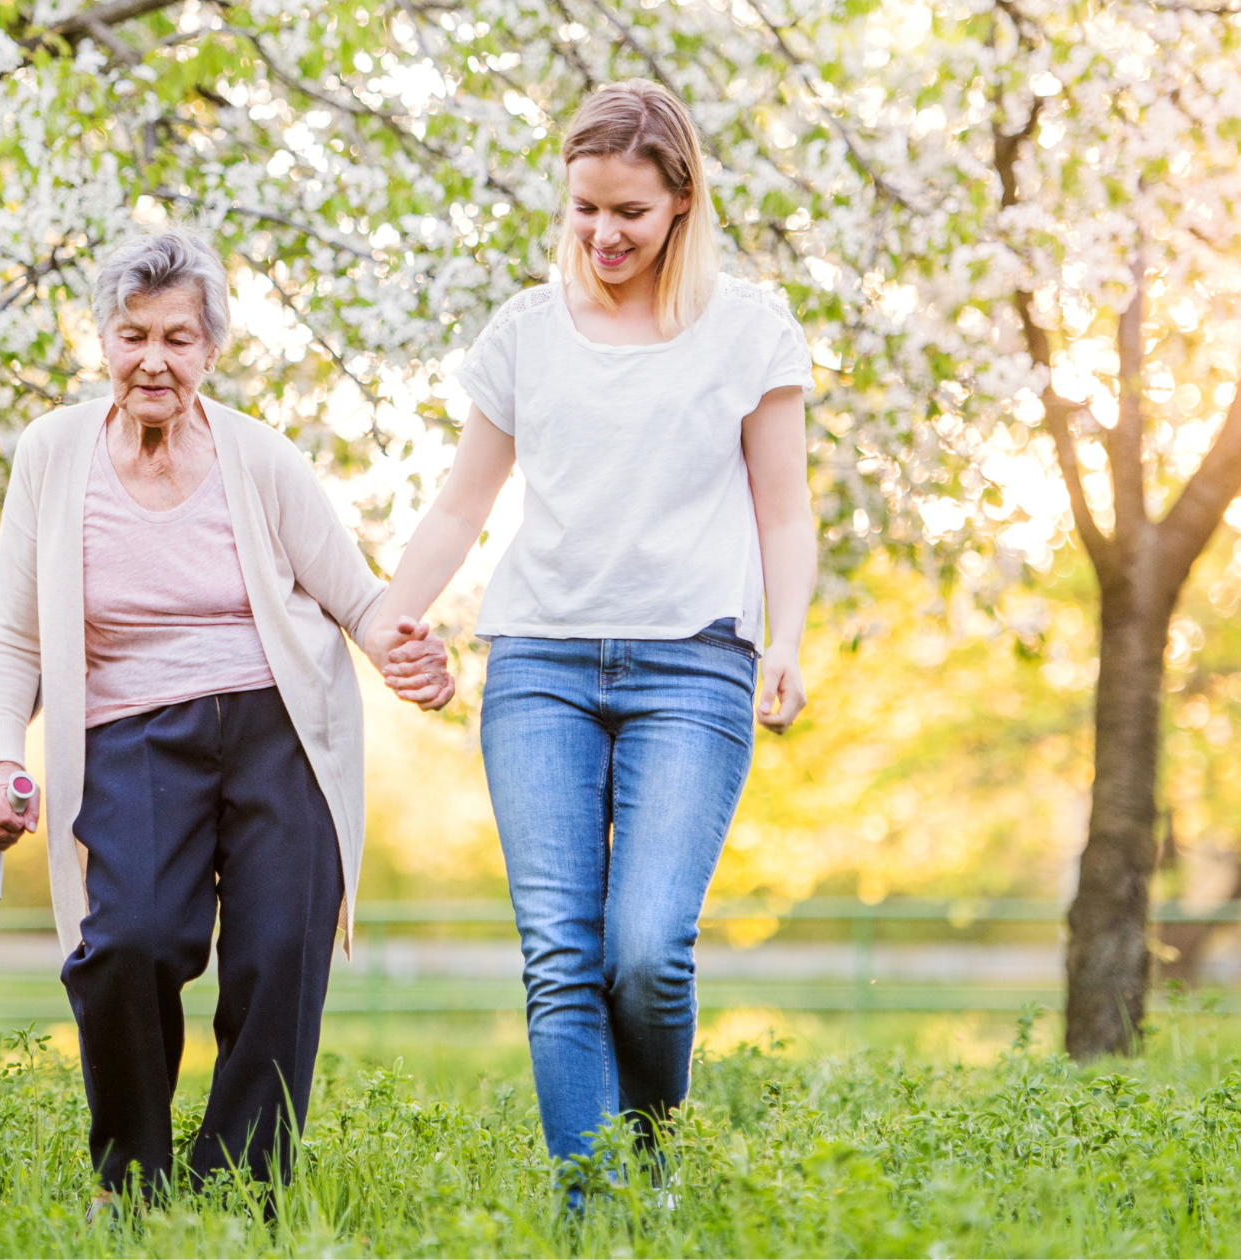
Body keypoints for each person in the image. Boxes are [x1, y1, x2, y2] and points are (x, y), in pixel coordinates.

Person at [362, 80, 818, 1199]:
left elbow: (782, 510)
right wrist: (382, 618)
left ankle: (649, 1160)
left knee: (646, 948)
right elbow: (459, 506)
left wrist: (787, 639)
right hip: (538, 667)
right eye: (583, 211)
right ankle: (590, 1212)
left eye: (627, 212)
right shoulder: (523, 333)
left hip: (693, 663)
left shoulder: (748, 329)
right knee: (560, 957)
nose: (603, 236)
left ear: (680, 203)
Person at [0, 227, 451, 1208]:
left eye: (177, 339)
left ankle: (239, 1192)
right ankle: (130, 1181)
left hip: (278, 725)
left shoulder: (259, 459)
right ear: (101, 338)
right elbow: (12, 641)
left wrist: (405, 652)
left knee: (277, 957)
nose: (152, 360)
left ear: (210, 350)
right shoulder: (54, 456)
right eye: (132, 334)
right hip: (132, 732)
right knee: (129, 943)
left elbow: (356, 600)